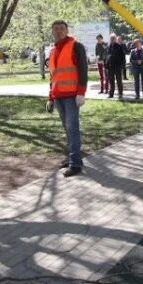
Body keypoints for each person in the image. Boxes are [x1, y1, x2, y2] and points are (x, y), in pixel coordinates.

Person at [48, 20, 88, 176]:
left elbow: (83, 70)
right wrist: (50, 97)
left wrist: (81, 93)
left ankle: (75, 164)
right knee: (67, 129)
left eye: (61, 29)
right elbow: (53, 77)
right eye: (56, 29)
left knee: (72, 129)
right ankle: (73, 157)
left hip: (72, 96)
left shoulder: (76, 46)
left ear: (67, 30)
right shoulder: (53, 51)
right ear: (52, 32)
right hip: (58, 96)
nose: (58, 31)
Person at [106, 34, 126, 99]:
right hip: (110, 67)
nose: (112, 40)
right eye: (111, 38)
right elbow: (106, 57)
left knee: (119, 81)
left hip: (117, 67)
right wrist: (106, 65)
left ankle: (120, 93)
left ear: (115, 39)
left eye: (113, 38)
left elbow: (123, 57)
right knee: (111, 81)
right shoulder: (108, 47)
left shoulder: (119, 47)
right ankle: (111, 94)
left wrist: (121, 65)